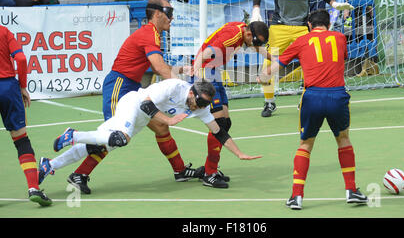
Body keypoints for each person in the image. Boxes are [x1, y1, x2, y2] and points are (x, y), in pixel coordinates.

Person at [56, 0, 194, 194]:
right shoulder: (149, 33)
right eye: (169, 12)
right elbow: (159, 67)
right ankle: (77, 173)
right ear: (156, 14)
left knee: (161, 127)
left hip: (131, 87)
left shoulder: (154, 34)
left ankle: (180, 171)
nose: (172, 17)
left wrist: (181, 70)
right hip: (119, 87)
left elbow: (161, 67)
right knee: (113, 136)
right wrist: (187, 90)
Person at [39, 79, 262, 187]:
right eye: (198, 103)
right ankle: (73, 134)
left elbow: (219, 133)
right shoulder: (175, 87)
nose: (199, 108)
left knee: (103, 143)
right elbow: (146, 105)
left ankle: (50, 164)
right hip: (133, 104)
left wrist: (239, 153)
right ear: (193, 92)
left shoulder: (200, 108)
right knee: (119, 139)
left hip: (143, 117)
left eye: (204, 105)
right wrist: (168, 120)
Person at [258, 9, 368, 210]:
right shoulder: (340, 37)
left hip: (312, 97)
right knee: (343, 140)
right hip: (338, 96)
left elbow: (279, 64)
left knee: (305, 144)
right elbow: (340, 57)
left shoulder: (302, 41)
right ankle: (351, 190)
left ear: (309, 24)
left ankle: (296, 196)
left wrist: (264, 76)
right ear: (328, 24)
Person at [250, 0, 354, 118]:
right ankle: (269, 103)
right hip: (279, 27)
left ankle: (306, 100)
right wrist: (255, 10)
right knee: (267, 65)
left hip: (301, 28)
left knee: (313, 65)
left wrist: (335, 4)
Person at [191, 20, 270, 188]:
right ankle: (209, 173)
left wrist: (277, 58)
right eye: (257, 42)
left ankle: (209, 169)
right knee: (218, 123)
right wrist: (198, 79)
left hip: (214, 70)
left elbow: (258, 47)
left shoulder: (244, 30)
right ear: (249, 35)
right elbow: (205, 53)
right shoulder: (232, 36)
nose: (257, 46)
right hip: (206, 71)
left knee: (226, 122)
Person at [0, 25, 52, 206]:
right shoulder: (3, 31)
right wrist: (22, 86)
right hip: (7, 89)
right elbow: (20, 59)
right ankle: (33, 189)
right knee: (21, 140)